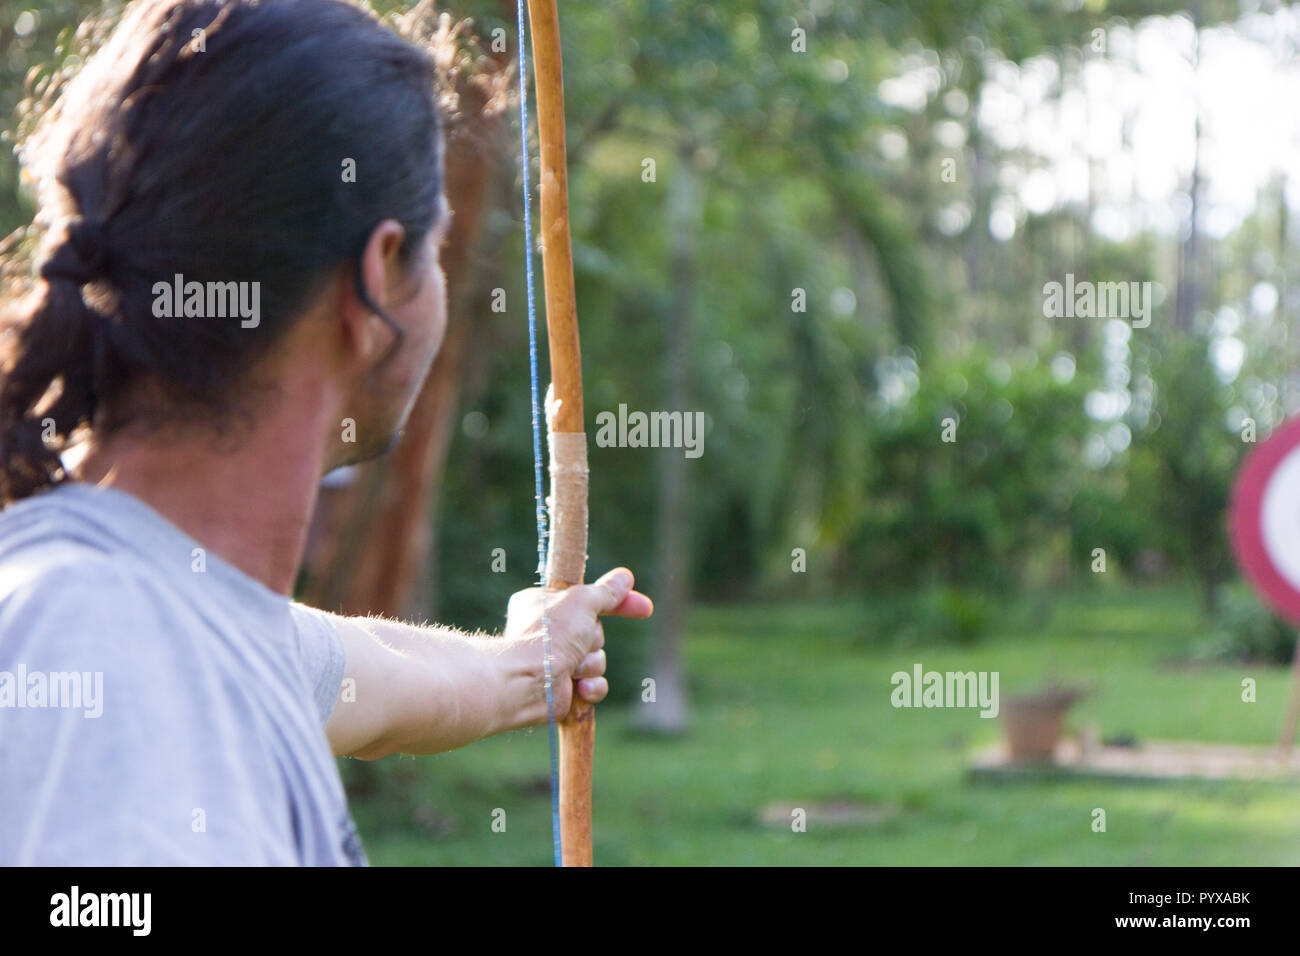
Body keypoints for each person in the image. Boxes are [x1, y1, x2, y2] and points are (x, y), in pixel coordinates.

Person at [0, 0, 651, 865]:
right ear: (378, 277)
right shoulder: (95, 637)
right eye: (438, 248)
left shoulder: (175, 603)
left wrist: (534, 660)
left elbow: (363, 670)